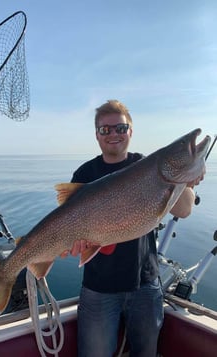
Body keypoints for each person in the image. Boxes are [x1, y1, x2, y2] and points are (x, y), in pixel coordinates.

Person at [62, 100, 204, 357]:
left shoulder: (148, 165)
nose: (113, 134)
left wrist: (187, 179)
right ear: (97, 135)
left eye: (120, 127)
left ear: (130, 131)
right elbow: (67, 223)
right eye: (106, 130)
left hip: (145, 285)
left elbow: (183, 210)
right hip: (98, 289)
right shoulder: (84, 173)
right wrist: (72, 243)